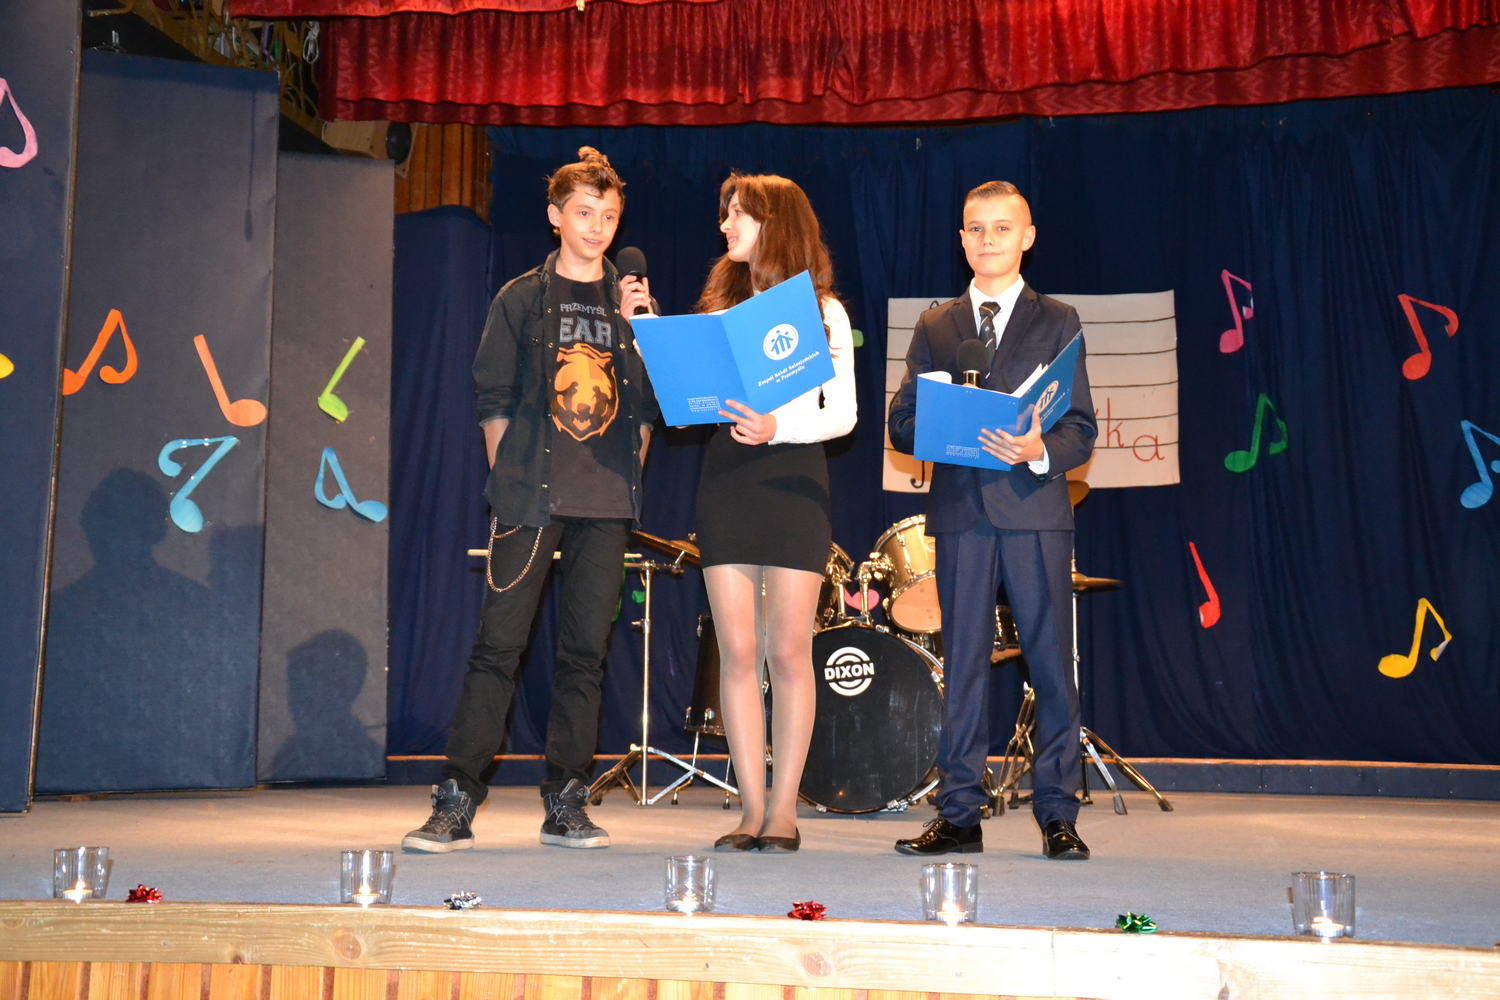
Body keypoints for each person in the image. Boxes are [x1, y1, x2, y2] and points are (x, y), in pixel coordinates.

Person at [402, 147, 657, 853]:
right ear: (555, 216)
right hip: (530, 500)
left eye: (609, 216)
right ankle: (456, 797)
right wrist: (510, 485)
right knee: (498, 648)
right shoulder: (521, 298)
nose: (597, 227)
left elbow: (650, 408)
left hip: (606, 507)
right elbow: (493, 397)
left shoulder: (633, 308)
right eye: (584, 213)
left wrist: (641, 330)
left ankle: (567, 798)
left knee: (585, 655)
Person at [887, 180, 1097, 860]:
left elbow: (1080, 428)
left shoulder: (1058, 319)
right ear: (961, 239)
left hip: (1034, 511)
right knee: (965, 668)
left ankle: (1058, 813)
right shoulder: (936, 325)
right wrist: (940, 424)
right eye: (976, 229)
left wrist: (1039, 450)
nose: (988, 240)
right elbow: (901, 421)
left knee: (1051, 665)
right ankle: (959, 814)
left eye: (1002, 228)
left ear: (1027, 237)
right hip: (961, 515)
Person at [694, 173, 857, 854]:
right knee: (736, 652)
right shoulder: (719, 310)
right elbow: (693, 398)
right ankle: (750, 809)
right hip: (727, 481)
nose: (727, 225)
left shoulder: (823, 312)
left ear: (776, 223)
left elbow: (842, 414)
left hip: (793, 482)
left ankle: (785, 810)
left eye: (740, 214)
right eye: (726, 213)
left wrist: (776, 427)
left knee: (788, 651)